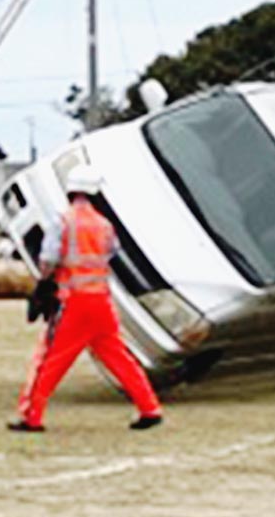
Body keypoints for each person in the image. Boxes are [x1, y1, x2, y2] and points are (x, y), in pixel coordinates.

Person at [9, 164, 162, 432]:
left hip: (72, 302)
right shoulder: (104, 225)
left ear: (70, 190)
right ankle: (149, 408)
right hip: (101, 301)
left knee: (49, 359)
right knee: (119, 357)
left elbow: (49, 258)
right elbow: (111, 253)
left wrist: (43, 284)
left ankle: (31, 416)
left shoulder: (63, 221)